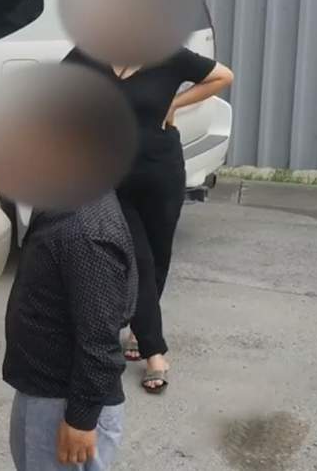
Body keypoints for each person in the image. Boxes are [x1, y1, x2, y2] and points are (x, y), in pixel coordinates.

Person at [63, 47, 234, 393]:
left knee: (158, 257)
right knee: (138, 261)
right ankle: (155, 353)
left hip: (162, 173)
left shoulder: (169, 54)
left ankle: (140, 329)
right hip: (113, 178)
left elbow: (223, 76)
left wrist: (175, 103)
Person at [5, 192, 137, 471]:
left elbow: (99, 341)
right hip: (44, 388)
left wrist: (81, 418)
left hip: (62, 401)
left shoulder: (84, 232)